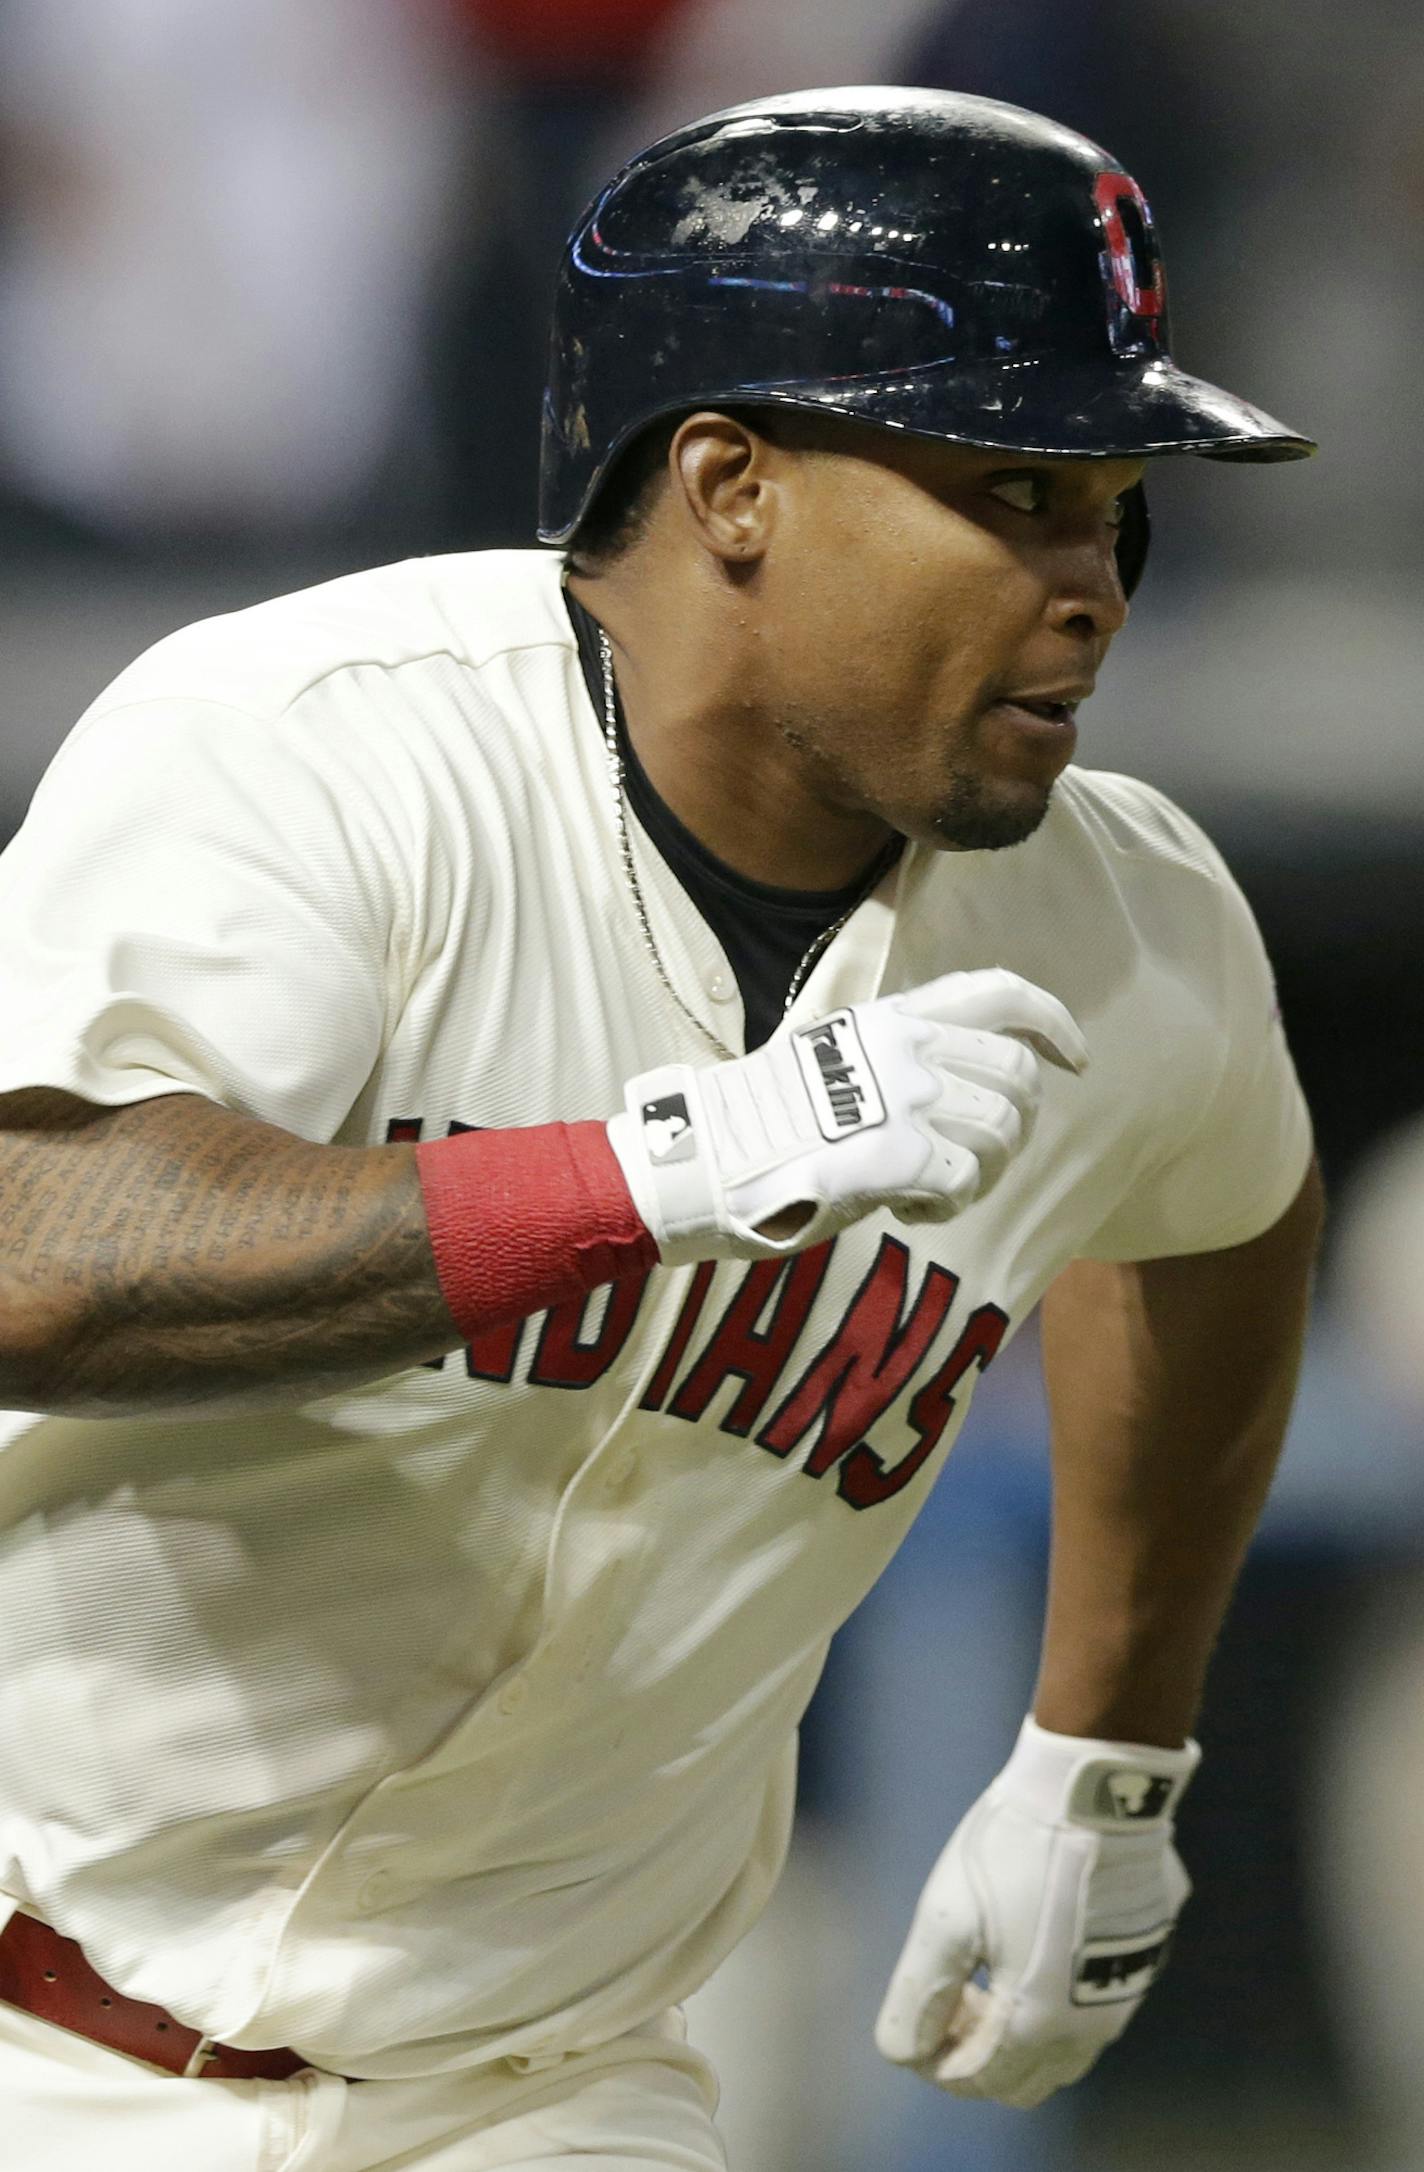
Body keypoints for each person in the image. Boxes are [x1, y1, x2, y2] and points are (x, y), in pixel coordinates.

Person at [0, 86, 1322, 2172]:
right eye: (1012, 489)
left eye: (1114, 505)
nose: (1093, 584)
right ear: (730, 485)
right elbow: (33, 1253)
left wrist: (1106, 1747)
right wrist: (650, 1176)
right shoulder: (320, 753)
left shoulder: (1125, 932)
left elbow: (1228, 1228)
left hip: (546, 2094)